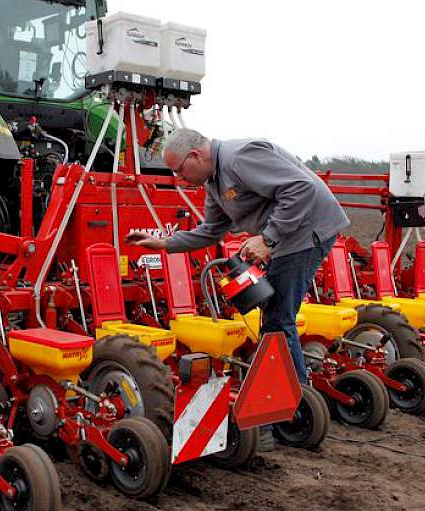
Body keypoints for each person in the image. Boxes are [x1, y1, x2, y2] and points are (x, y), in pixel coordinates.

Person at [125, 128, 350, 450]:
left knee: (278, 319)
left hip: (306, 232)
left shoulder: (240, 157)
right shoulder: (214, 182)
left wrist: (268, 238)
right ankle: (294, 398)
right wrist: (164, 243)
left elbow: (300, 188)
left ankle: (292, 404)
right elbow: (211, 231)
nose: (178, 177)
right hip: (287, 237)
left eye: (179, 170)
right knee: (274, 315)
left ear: (196, 156)